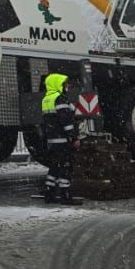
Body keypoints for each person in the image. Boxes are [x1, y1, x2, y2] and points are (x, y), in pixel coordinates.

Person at [40, 73, 83, 205]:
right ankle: (65, 196)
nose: (67, 86)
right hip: (63, 141)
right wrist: (74, 138)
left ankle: (50, 194)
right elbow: (66, 122)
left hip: (53, 141)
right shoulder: (60, 99)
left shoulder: (47, 99)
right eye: (65, 84)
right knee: (65, 168)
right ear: (58, 85)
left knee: (54, 168)